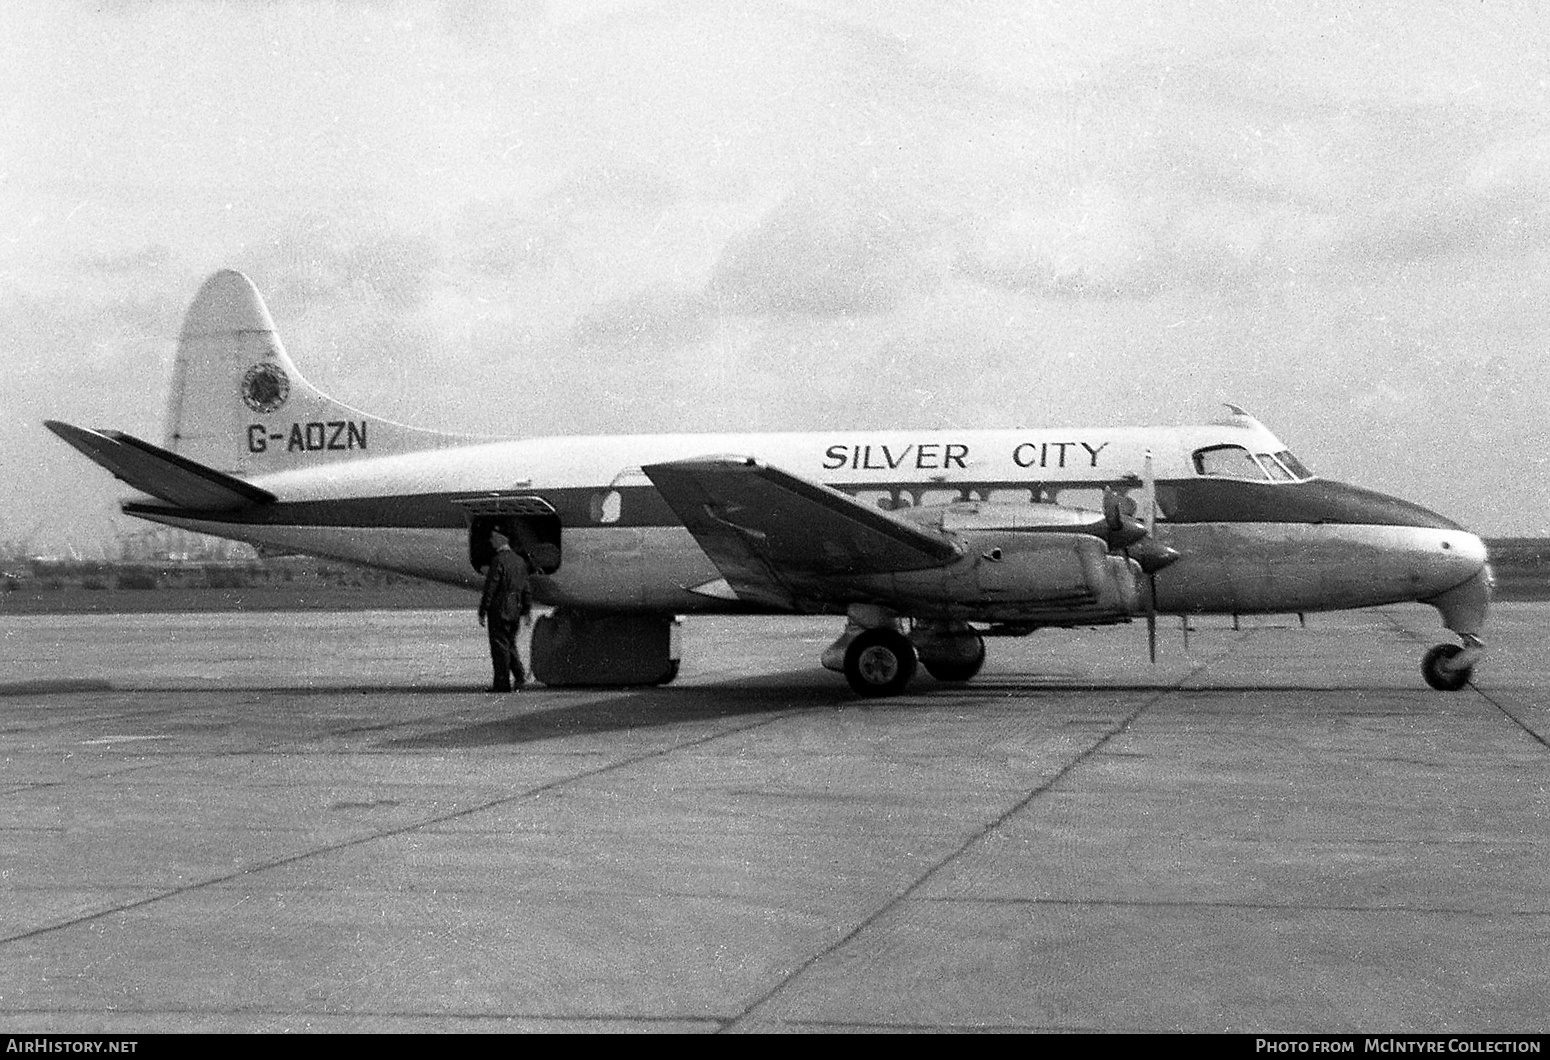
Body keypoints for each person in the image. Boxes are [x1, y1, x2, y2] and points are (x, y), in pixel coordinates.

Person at [477, 528, 532, 692]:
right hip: (515, 606)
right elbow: (526, 588)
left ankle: (502, 685)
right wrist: (527, 610)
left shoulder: (498, 560)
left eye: (494, 539)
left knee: (499, 647)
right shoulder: (520, 561)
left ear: (500, 541)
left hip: (500, 607)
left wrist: (482, 610)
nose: (492, 542)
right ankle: (520, 676)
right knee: (510, 644)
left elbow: (491, 587)